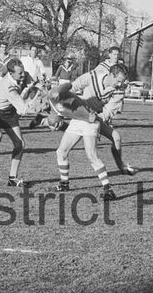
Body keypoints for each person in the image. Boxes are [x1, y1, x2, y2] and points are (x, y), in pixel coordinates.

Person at [49, 63, 129, 201]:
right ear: (111, 74)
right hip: (77, 117)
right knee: (61, 151)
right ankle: (64, 184)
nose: (120, 84)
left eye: (122, 82)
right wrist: (65, 108)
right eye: (118, 81)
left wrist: (94, 118)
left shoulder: (119, 92)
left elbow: (108, 112)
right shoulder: (91, 76)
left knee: (92, 156)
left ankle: (108, 190)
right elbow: (72, 88)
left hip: (92, 120)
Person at [0, 58, 29, 187]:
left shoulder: (24, 76)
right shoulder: (8, 87)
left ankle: (12, 178)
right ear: (11, 73)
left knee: (20, 144)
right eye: (20, 73)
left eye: (23, 71)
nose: (23, 75)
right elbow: (24, 109)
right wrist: (39, 107)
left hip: (8, 112)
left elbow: (33, 87)